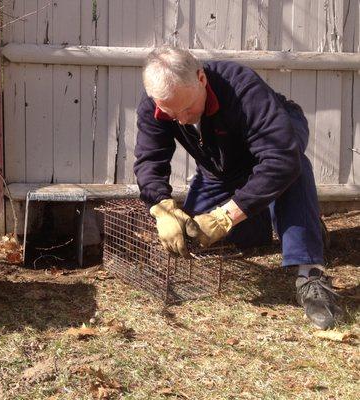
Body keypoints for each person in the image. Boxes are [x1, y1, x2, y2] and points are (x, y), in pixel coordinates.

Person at [134, 46, 342, 329]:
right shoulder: (157, 106)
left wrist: (226, 216)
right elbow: (150, 159)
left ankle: (310, 274)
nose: (181, 119)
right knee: (198, 235)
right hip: (220, 168)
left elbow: (280, 159)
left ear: (201, 79)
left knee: (294, 167)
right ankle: (286, 221)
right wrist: (162, 207)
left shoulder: (241, 86)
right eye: (171, 113)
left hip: (277, 140)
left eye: (186, 108)